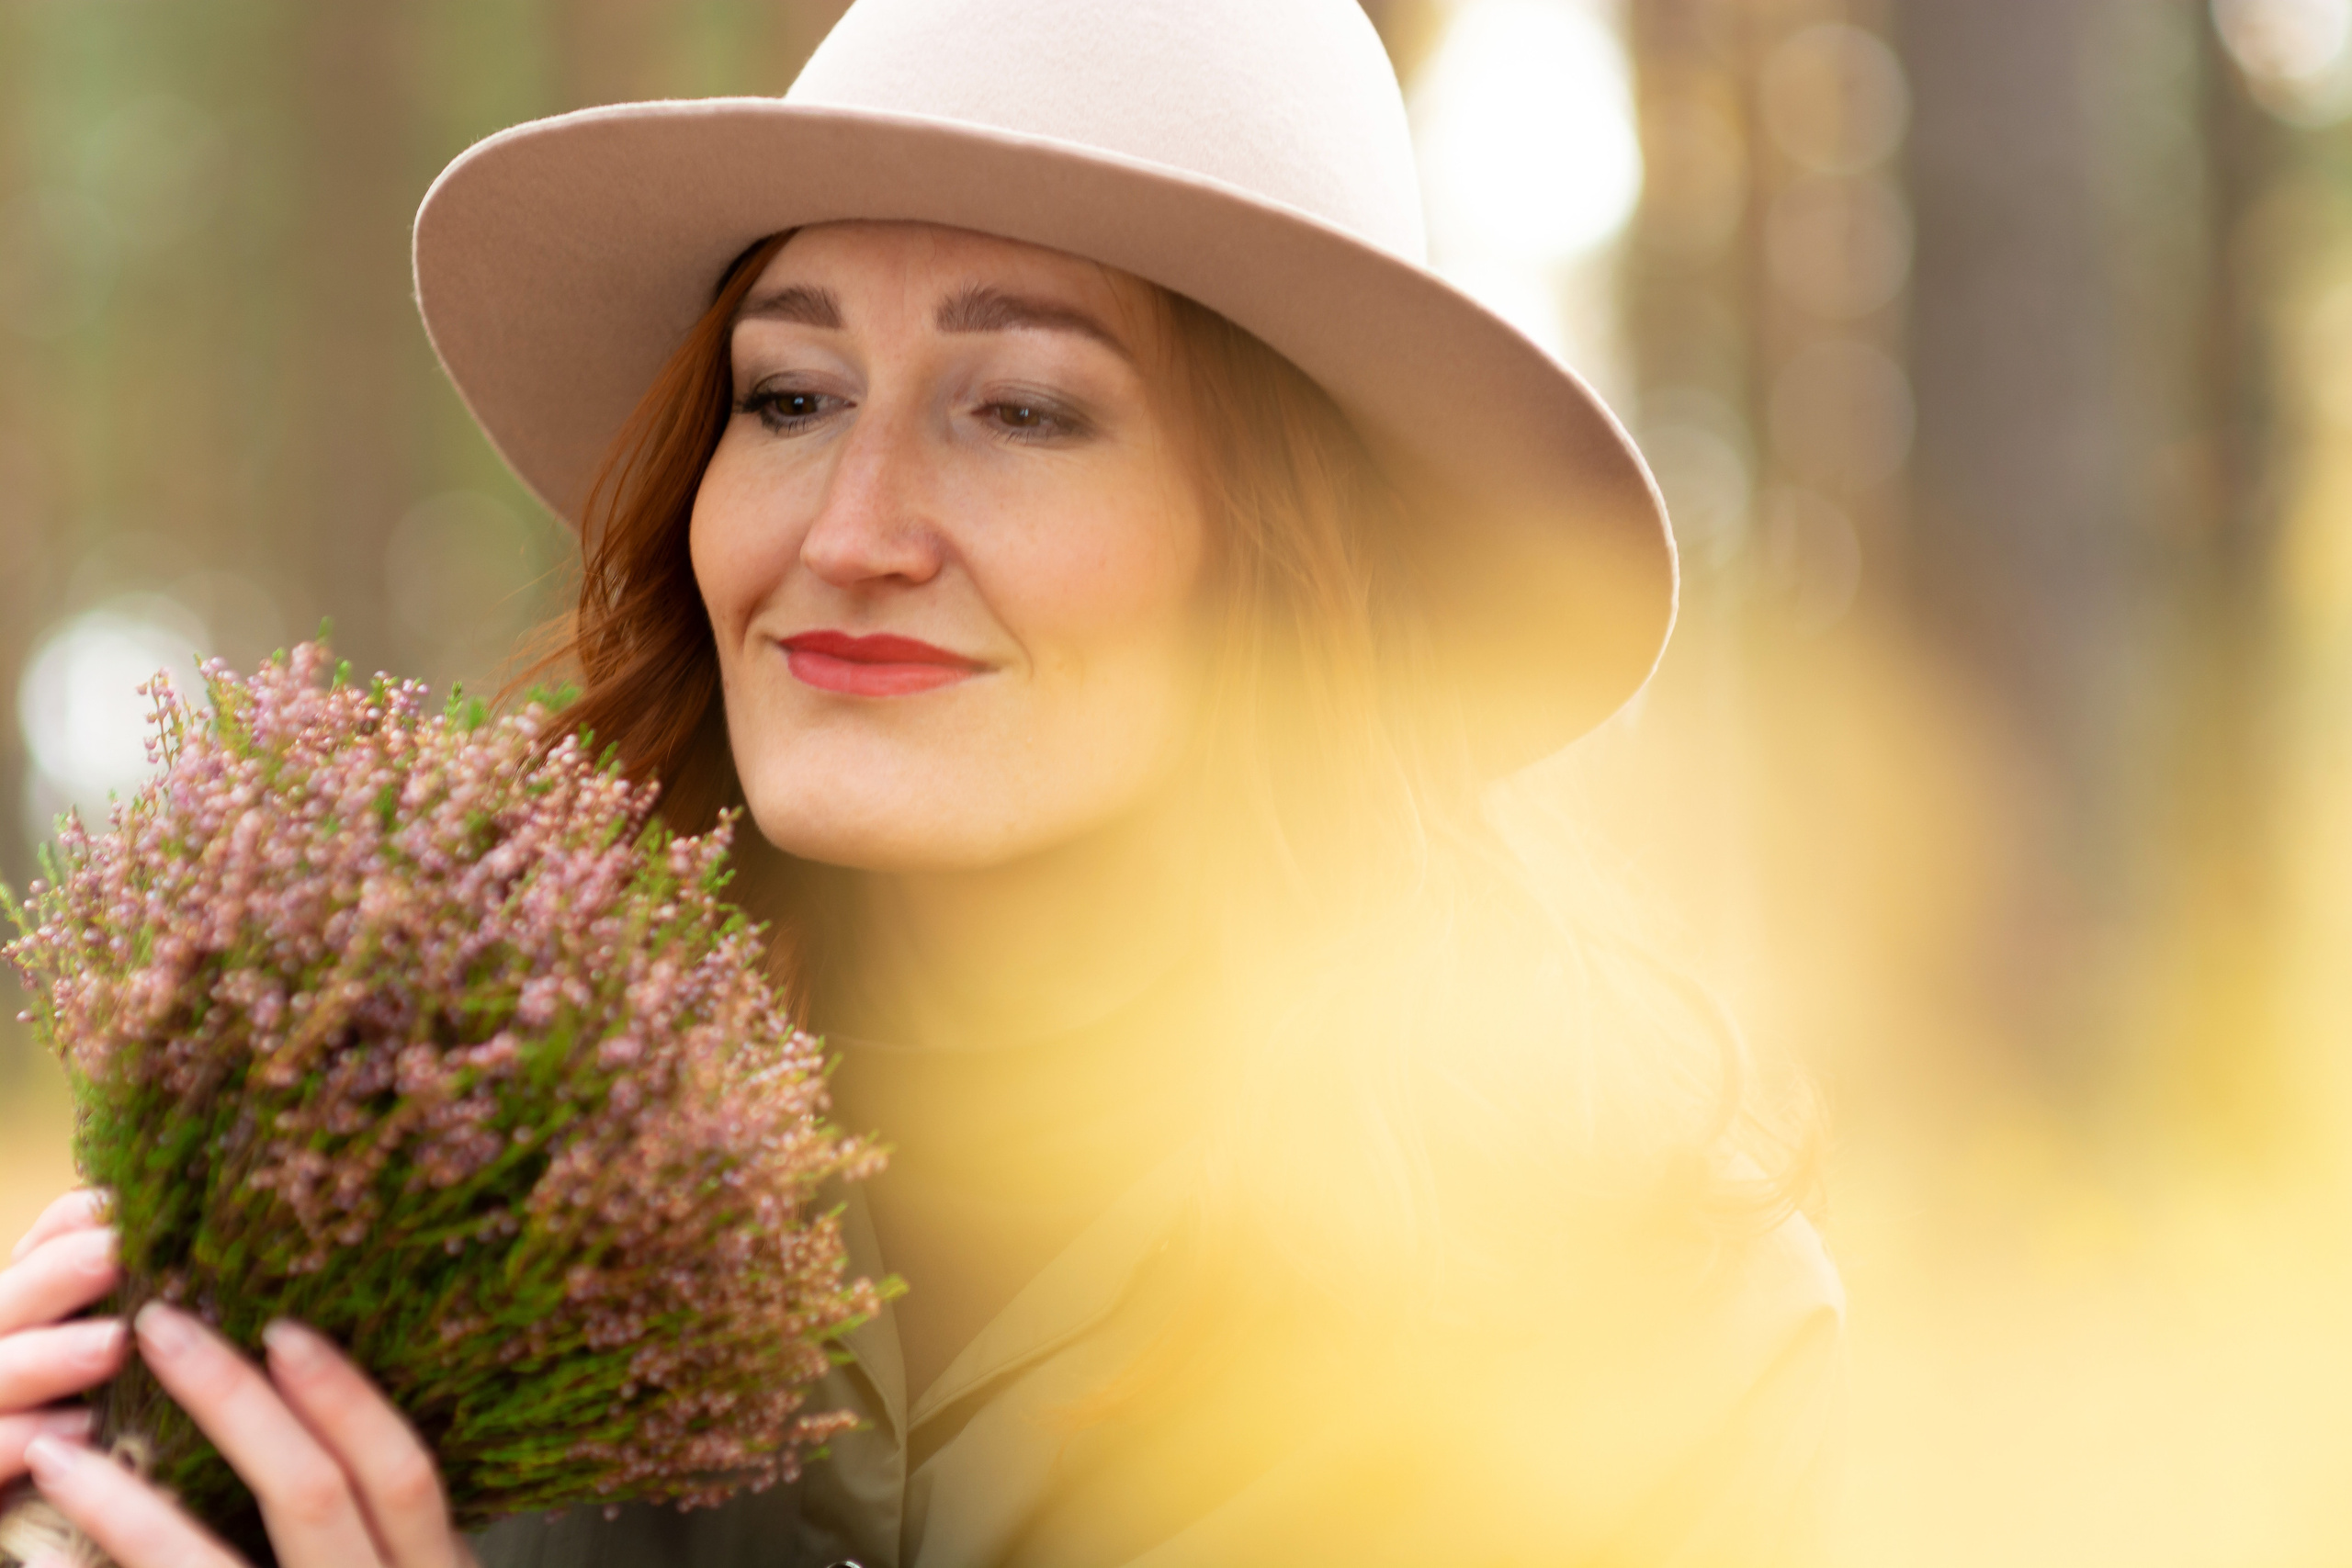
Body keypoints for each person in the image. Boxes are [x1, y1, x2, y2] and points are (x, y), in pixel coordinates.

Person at [0, 0, 1844, 1563]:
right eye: (787, 396)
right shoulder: (405, 1191)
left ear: (1286, 564)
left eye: (1021, 408)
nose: (850, 528)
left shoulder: (1643, 1328)